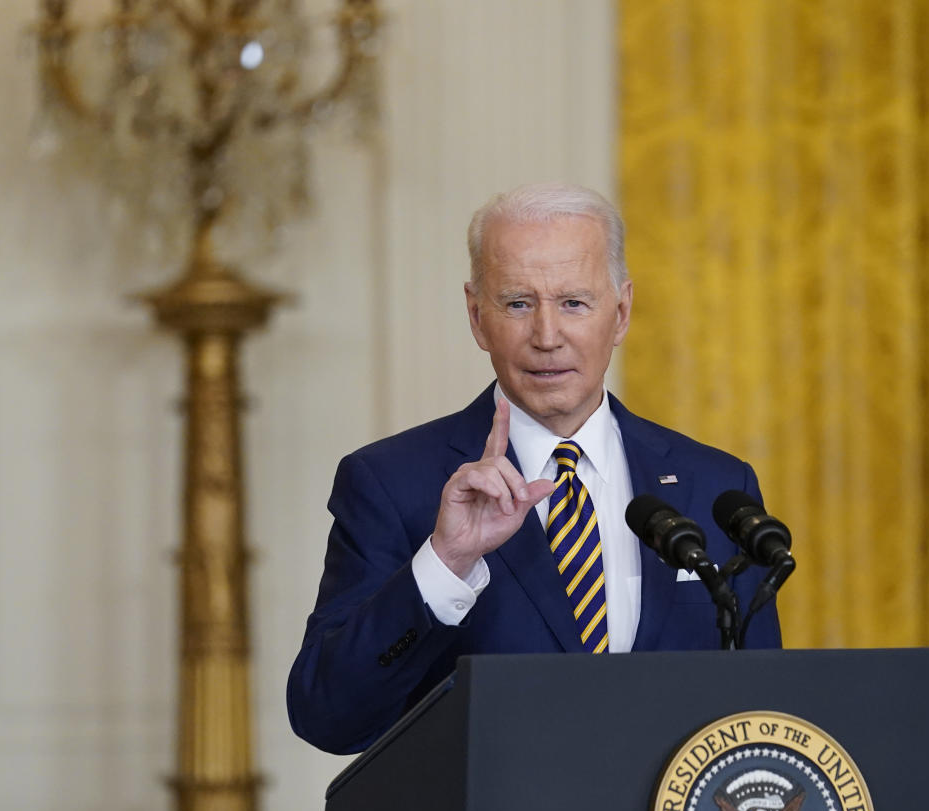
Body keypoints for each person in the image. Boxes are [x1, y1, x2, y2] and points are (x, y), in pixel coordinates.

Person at [287, 183, 781, 755]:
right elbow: (326, 716)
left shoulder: (717, 488)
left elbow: (761, 719)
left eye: (574, 302)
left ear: (620, 314)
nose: (547, 337)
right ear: (477, 318)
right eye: (518, 303)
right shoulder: (391, 484)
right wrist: (446, 563)